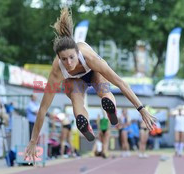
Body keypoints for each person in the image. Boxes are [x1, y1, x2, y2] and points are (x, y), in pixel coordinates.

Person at [25, 8, 155, 162]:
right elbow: (42, 109)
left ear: (77, 52)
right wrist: (33, 142)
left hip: (93, 71)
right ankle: (83, 122)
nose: (69, 63)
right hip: (74, 81)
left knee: (102, 87)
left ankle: (109, 107)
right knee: (76, 98)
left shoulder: (89, 56)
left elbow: (120, 82)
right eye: (64, 59)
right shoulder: (56, 71)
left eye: (72, 57)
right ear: (58, 58)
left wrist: (141, 109)